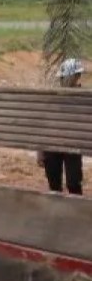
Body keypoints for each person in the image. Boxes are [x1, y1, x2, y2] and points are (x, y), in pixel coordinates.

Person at [38, 58, 84, 196]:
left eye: (68, 77)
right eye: (63, 77)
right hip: (52, 145)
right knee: (53, 185)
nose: (64, 80)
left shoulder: (84, 98)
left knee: (73, 184)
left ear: (77, 77)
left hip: (73, 146)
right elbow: (43, 124)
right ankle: (56, 214)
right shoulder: (53, 98)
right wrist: (40, 150)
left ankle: (75, 213)